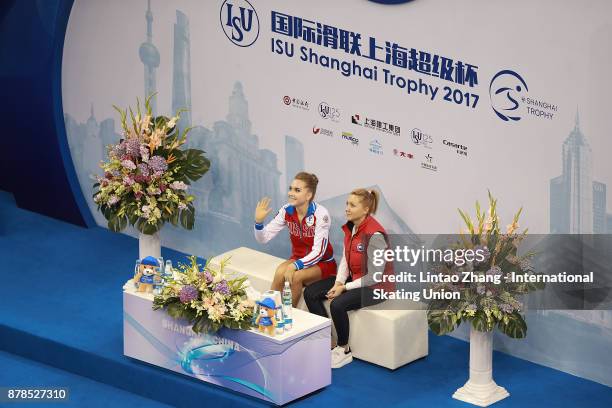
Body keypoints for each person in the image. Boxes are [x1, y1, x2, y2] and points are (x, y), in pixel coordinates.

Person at [303, 188, 393, 369]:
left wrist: (344, 288)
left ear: (366, 209)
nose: (347, 208)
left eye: (352, 205)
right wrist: (338, 282)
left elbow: (374, 277)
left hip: (376, 287)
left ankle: (344, 350)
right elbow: (345, 258)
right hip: (355, 278)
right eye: (347, 204)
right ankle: (326, 343)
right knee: (311, 293)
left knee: (338, 304)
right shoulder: (351, 227)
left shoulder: (375, 235)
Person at [254, 172, 337, 307]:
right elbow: (264, 238)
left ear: (308, 195)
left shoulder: (321, 214)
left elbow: (319, 252)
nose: (291, 193)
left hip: (323, 264)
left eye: (297, 190)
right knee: (280, 272)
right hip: (298, 258)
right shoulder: (286, 210)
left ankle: (289, 316)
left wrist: (295, 266)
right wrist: (258, 222)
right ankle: (268, 311)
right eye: (290, 188)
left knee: (296, 276)